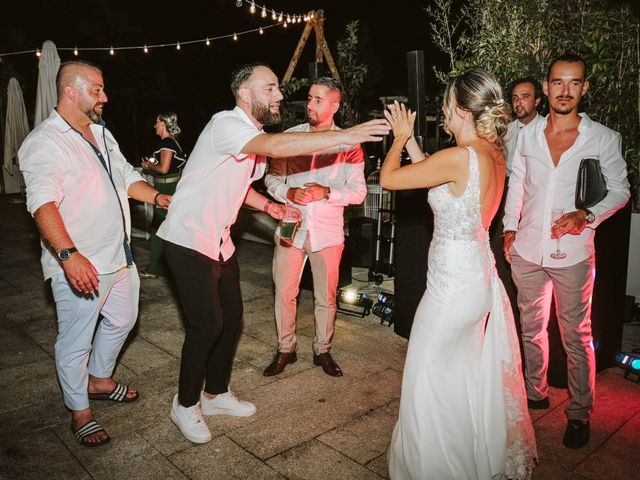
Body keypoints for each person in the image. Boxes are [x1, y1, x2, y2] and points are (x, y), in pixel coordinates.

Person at [156, 62, 390, 444]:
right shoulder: (226, 125)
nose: (280, 95)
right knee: (206, 325)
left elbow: (242, 186)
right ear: (245, 94)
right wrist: (347, 135)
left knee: (231, 320)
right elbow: (279, 147)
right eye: (270, 88)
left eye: (278, 88)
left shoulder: (252, 136)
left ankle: (214, 394)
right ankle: (184, 405)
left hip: (219, 240)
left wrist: (269, 207)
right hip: (188, 237)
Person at [382, 70, 537, 479]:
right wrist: (414, 141)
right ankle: (465, 458)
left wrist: (398, 137)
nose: (442, 112)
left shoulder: (458, 157)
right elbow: (436, 176)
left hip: (450, 288)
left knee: (425, 377)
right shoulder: (492, 152)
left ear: (463, 110)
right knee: (456, 378)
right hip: (477, 280)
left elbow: (389, 179)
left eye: (447, 105)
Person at [18, 60, 171, 447]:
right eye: (97, 89)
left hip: (119, 255)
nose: (105, 96)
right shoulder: (44, 142)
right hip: (80, 261)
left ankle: (100, 379)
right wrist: (68, 255)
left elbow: (125, 176)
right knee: (75, 339)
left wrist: (159, 197)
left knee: (124, 318)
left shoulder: (101, 133)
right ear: (71, 91)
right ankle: (80, 411)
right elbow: (42, 204)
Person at [503, 53, 630, 449]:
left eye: (574, 83)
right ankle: (535, 392)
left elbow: (621, 190)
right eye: (558, 82)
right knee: (531, 328)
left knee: (576, 335)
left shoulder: (603, 138)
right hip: (526, 250)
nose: (565, 90)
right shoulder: (524, 135)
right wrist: (509, 229)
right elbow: (517, 186)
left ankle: (579, 412)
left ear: (584, 88)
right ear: (546, 87)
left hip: (574, 253)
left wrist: (586, 215)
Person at [262, 77, 367, 378]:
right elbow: (271, 179)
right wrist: (287, 193)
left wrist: (327, 192)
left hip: (328, 232)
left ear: (335, 105)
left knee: (327, 297)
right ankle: (286, 349)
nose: (309, 105)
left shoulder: (348, 144)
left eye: (318, 100)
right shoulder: (289, 138)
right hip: (291, 226)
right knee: (284, 292)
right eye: (309, 98)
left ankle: (322, 350)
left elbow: (359, 192)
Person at [490, 77, 545, 322]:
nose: (518, 102)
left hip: (534, 200)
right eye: (514, 97)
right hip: (505, 197)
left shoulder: (547, 130)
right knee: (504, 252)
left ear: (538, 101)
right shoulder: (506, 131)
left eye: (524, 96)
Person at [139, 112, 187, 279]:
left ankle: (155, 269)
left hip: (166, 188)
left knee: (158, 227)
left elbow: (164, 169)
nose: (154, 126)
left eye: (157, 122)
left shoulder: (167, 143)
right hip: (172, 186)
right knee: (171, 227)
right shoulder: (173, 142)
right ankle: (171, 267)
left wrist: (148, 166)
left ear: (164, 124)